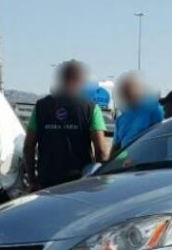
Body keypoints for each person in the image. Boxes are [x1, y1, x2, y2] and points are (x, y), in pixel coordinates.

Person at [23, 60, 109, 190]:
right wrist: (100, 181)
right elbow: (101, 151)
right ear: (80, 81)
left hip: (46, 182)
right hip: (79, 183)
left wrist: (32, 180)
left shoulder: (41, 107)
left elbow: (28, 146)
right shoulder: (91, 109)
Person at [109, 72, 164, 154]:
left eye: (130, 91)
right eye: (124, 92)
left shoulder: (155, 110)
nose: (127, 95)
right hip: (127, 163)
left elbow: (163, 137)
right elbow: (116, 146)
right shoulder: (121, 119)